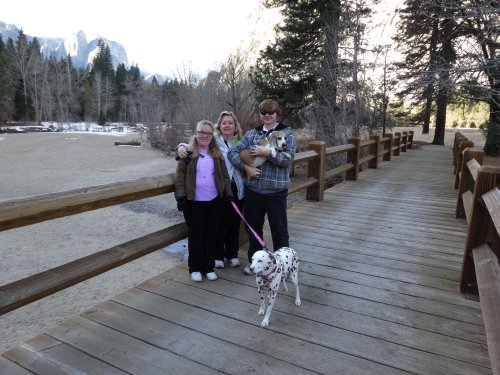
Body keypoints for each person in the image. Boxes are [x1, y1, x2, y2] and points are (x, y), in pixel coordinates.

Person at [227, 99, 296, 275]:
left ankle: (283, 267)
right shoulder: (252, 134)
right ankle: (255, 264)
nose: (267, 115)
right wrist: (246, 168)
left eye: (270, 112)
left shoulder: (286, 133)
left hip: (276, 192)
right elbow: (232, 152)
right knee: (253, 229)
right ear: (260, 114)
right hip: (254, 192)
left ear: (276, 114)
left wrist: (268, 153)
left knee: (279, 231)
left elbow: (288, 159)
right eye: (263, 112)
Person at [177, 111, 245, 268]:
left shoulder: (241, 142)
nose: (227, 125)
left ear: (235, 126)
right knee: (218, 224)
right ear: (219, 126)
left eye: (230, 123)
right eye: (224, 123)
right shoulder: (214, 141)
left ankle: (232, 253)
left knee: (234, 223)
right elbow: (195, 144)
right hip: (219, 188)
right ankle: (218, 255)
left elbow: (251, 155)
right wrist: (180, 146)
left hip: (236, 187)